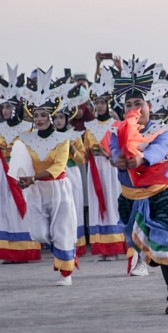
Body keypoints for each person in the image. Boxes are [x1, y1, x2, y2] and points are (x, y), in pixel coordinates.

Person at [110, 59, 168, 313]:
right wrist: (119, 160)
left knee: (165, 248)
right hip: (132, 199)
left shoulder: (162, 131)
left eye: (139, 104)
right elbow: (114, 151)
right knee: (148, 249)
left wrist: (141, 158)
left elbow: (159, 149)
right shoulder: (117, 132)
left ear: (150, 106)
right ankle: (151, 257)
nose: (135, 109)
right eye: (129, 105)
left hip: (161, 197)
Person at [17, 67, 78, 286]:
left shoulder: (63, 139)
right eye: (37, 115)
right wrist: (22, 178)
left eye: (44, 115)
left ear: (52, 117)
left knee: (61, 230)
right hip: (36, 190)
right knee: (39, 233)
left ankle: (66, 272)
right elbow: (21, 163)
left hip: (58, 188)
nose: (40, 118)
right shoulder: (26, 138)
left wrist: (33, 178)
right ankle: (66, 252)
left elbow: (58, 166)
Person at [0, 64, 41, 263]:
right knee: (6, 210)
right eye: (3, 107)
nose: (6, 110)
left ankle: (27, 248)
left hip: (20, 170)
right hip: (3, 172)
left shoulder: (28, 127)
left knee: (23, 206)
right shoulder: (0, 128)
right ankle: (9, 251)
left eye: (9, 106)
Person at [86, 68, 125, 261]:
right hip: (95, 168)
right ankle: (102, 247)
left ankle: (116, 246)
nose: (99, 106)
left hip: (111, 167)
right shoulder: (90, 126)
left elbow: (121, 146)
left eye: (103, 102)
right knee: (97, 203)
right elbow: (86, 147)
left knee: (112, 201)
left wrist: (108, 153)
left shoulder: (116, 124)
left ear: (108, 104)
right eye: (97, 103)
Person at [54, 85, 88, 255]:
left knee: (73, 208)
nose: (58, 121)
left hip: (72, 173)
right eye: (56, 117)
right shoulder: (49, 136)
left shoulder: (74, 135)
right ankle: (60, 243)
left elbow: (82, 159)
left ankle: (76, 243)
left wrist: (72, 149)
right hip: (55, 175)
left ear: (67, 119)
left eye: (62, 117)